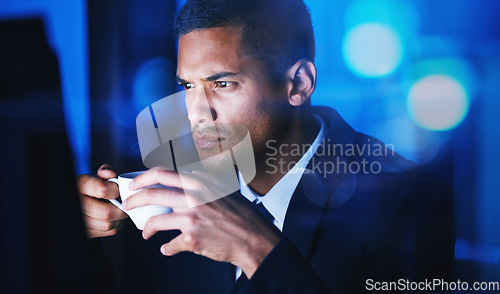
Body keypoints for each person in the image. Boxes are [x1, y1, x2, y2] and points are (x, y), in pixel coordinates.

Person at [76, 0, 455, 293]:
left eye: (221, 84)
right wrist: (74, 237)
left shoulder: (410, 201)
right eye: (188, 86)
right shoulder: (167, 185)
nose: (196, 114)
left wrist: (257, 249)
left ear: (299, 84)